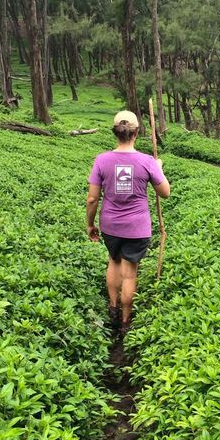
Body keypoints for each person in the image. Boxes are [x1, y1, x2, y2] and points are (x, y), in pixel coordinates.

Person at [86, 110, 170, 336]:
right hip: (137, 227)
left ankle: (112, 308)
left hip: (110, 226)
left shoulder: (102, 160)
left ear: (115, 132)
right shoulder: (147, 161)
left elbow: (92, 198)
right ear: (136, 132)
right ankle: (125, 321)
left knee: (113, 262)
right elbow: (165, 193)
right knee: (130, 274)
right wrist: (158, 167)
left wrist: (90, 225)